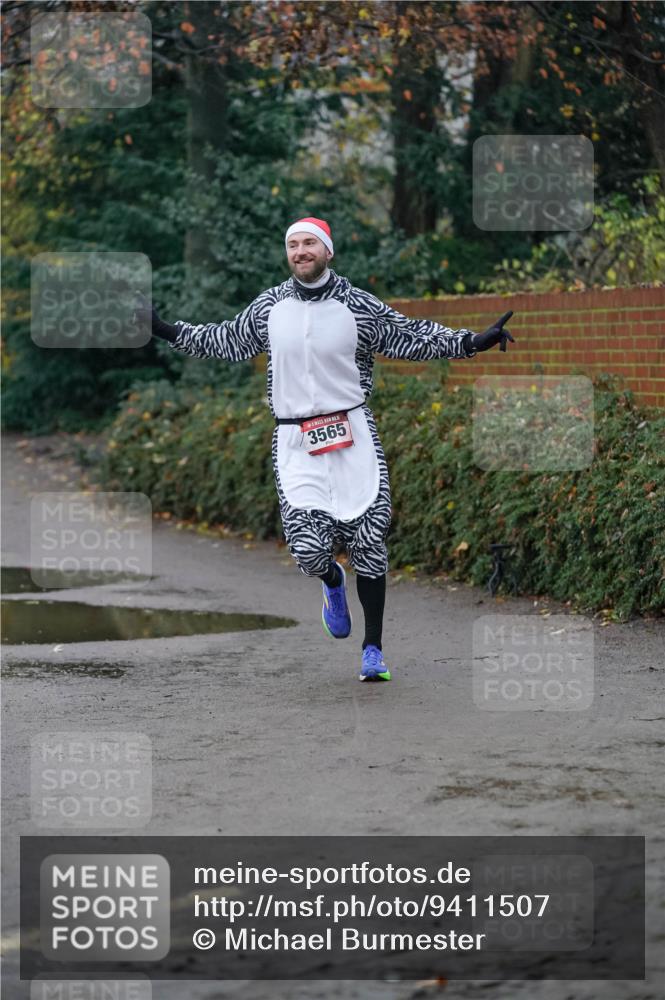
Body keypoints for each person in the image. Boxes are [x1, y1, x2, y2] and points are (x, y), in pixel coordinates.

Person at [136, 217, 515, 682]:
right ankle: (332, 582)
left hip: (352, 432)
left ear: (328, 250)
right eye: (293, 244)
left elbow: (411, 335)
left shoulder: (357, 306)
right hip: (295, 440)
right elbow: (227, 341)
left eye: (309, 243)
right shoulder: (269, 307)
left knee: (370, 539)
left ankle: (372, 650)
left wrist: (473, 342)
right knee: (307, 547)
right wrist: (164, 329)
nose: (300, 251)